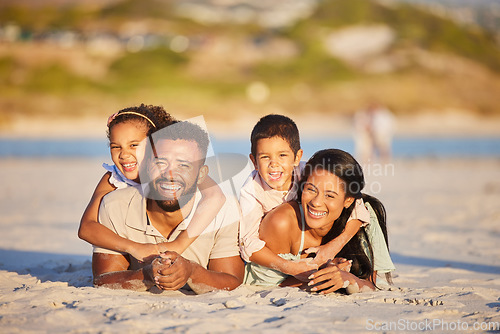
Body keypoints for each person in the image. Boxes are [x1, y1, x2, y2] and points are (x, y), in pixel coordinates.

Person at [92, 120, 244, 294]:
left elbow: (231, 280)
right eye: (161, 163)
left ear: (201, 174)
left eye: (183, 165)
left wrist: (191, 272)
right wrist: (146, 276)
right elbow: (103, 279)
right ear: (147, 166)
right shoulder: (115, 205)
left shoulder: (225, 210)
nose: (170, 174)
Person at [79, 104, 226, 262]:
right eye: (116, 147)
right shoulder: (114, 178)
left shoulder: (177, 173)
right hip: (134, 247)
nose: (124, 154)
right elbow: (86, 228)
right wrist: (134, 248)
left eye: (134, 145)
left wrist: (178, 244)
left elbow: (216, 196)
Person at [240, 114, 371, 283]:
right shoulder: (251, 190)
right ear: (254, 161)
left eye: (282, 155)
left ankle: (326, 268)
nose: (274, 164)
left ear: (297, 157)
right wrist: (289, 267)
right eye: (265, 157)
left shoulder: (308, 172)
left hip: (307, 236)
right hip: (274, 247)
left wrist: (334, 245)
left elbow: (357, 204)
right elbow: (247, 243)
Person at [246, 149, 395, 293]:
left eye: (329, 195)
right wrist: (322, 273)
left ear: (348, 201)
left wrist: (347, 279)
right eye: (311, 190)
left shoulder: (365, 219)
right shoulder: (282, 222)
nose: (316, 202)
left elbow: (370, 284)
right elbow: (267, 283)